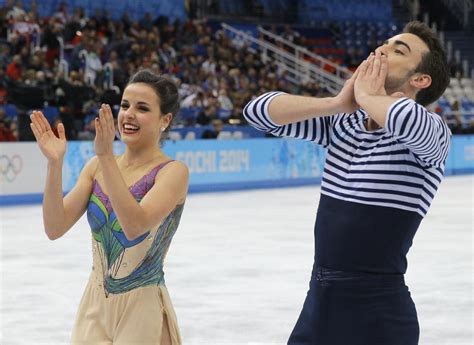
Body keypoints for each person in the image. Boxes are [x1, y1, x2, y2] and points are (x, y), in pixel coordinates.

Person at [243, 21, 450, 345]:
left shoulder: (433, 132)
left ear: (420, 79)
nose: (382, 49)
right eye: (385, 42)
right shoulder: (344, 124)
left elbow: (405, 118)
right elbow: (257, 112)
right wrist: (337, 104)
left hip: (378, 313)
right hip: (319, 305)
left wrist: (367, 95)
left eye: (399, 50)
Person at [30, 69, 188, 344]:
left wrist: (105, 156)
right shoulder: (95, 168)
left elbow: (134, 227)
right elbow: (54, 228)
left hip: (142, 305)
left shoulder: (172, 172)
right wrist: (55, 164)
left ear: (165, 119)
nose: (128, 114)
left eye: (142, 108)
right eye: (125, 105)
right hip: (94, 304)